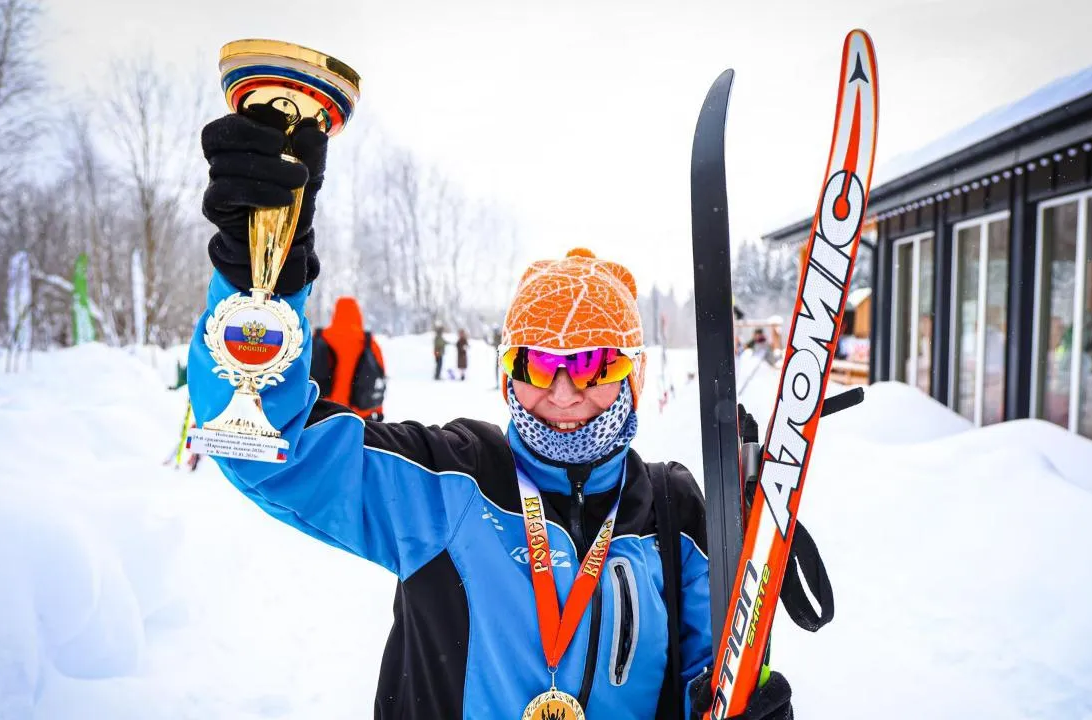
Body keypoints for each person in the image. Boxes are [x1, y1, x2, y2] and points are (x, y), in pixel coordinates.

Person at [190, 109, 795, 719]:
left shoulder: (677, 513)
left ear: (632, 376)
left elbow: (712, 679)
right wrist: (256, 288)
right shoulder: (448, 481)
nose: (561, 395)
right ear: (507, 373)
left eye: (592, 366)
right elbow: (267, 448)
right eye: (534, 366)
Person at [310, 296, 387, 421]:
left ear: (336, 313)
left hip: (325, 411)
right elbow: (378, 376)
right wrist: (378, 409)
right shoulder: (368, 342)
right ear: (358, 313)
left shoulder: (320, 337)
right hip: (358, 415)